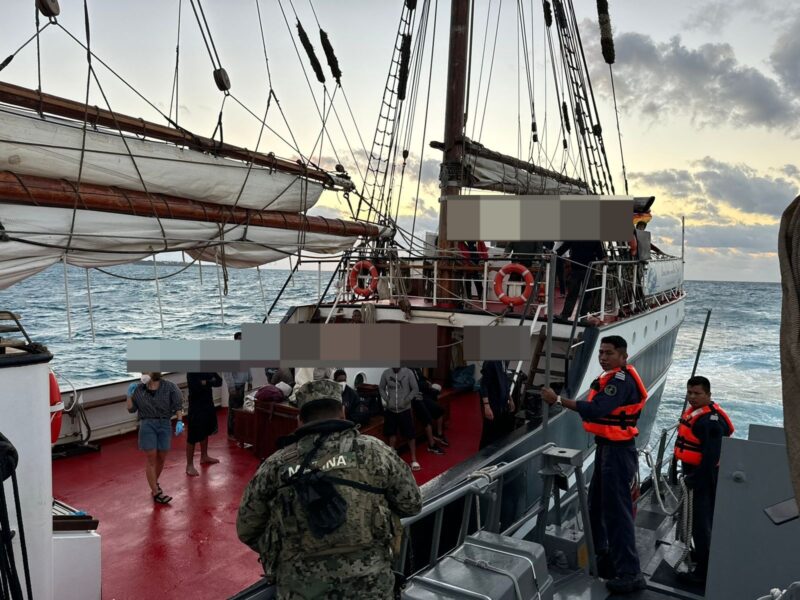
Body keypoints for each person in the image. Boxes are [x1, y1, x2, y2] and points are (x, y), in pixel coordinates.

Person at [236, 380, 422, 599]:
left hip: (300, 589)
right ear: (343, 412)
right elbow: (411, 504)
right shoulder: (376, 452)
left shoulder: (276, 465)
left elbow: (247, 528)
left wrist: (285, 547)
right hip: (371, 588)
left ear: (300, 419)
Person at [541, 335, 647, 593]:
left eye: (609, 353)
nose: (602, 357)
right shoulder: (610, 377)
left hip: (618, 453)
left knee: (617, 512)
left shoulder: (620, 381)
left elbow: (598, 409)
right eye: (601, 352)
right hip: (606, 449)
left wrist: (557, 400)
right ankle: (604, 554)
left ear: (623, 356)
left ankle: (630, 572)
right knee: (596, 505)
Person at [673, 376, 734, 585]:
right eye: (689, 392)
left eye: (697, 393)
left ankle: (703, 573)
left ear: (708, 394)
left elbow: (711, 457)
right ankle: (702, 554)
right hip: (693, 472)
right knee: (699, 521)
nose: (692, 397)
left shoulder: (711, 422)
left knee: (701, 523)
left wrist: (695, 480)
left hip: (705, 476)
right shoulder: (697, 415)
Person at [126, 372, 184, 504]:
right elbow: (131, 409)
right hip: (147, 424)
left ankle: (154, 483)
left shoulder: (170, 387)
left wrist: (180, 421)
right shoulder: (139, 390)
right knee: (151, 458)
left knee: (161, 457)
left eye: (146, 371)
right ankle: (156, 492)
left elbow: (177, 405)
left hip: (164, 424)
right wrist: (129, 395)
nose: (143, 373)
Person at [379, 367, 421, 471]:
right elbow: (381, 388)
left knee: (410, 435)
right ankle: (391, 459)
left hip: (405, 409)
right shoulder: (386, 373)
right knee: (391, 434)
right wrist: (387, 400)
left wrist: (406, 400)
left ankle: (414, 459)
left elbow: (415, 389)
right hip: (391, 410)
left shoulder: (408, 372)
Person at [185, 372, 223, 476]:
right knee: (192, 435)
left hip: (208, 403)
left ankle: (204, 456)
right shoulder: (191, 372)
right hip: (196, 406)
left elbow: (219, 382)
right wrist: (210, 382)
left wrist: (205, 382)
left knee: (206, 429)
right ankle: (189, 465)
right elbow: (196, 387)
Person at [556, 241, 605, 320]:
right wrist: (554, 253)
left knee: (587, 293)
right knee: (573, 293)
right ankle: (566, 315)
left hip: (588, 269)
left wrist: (604, 259)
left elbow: (600, 254)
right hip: (576, 269)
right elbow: (562, 249)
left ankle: (583, 316)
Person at [479, 360, 516, 449]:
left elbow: (504, 380)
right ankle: (482, 458)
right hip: (492, 402)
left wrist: (510, 399)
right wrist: (486, 406)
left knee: (500, 432)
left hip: (502, 403)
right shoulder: (491, 362)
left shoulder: (504, 361)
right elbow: (484, 385)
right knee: (489, 434)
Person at [223, 332, 253, 439]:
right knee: (233, 410)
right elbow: (227, 373)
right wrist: (231, 387)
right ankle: (231, 433)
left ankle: (238, 430)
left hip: (242, 384)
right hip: (235, 385)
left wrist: (250, 381)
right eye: (239, 339)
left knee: (240, 408)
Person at [412, 368, 448, 448]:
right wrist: (425, 384)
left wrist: (427, 381)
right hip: (415, 397)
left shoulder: (416, 368)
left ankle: (439, 434)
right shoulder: (405, 371)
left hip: (423, 394)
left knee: (439, 410)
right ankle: (432, 445)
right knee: (427, 418)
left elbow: (422, 378)